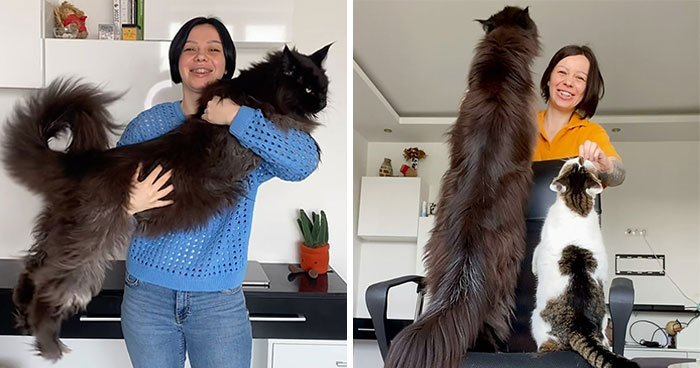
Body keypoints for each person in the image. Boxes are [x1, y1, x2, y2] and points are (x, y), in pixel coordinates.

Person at [117, 17, 320, 368]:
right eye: (190, 49)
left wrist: (237, 116)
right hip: (146, 296)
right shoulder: (147, 125)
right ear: (177, 61)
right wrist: (125, 203)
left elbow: (303, 162)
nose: (201, 57)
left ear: (227, 64)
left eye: (213, 50)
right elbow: (102, 198)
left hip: (219, 304)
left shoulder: (254, 127)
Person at [535, 44, 625, 187]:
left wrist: (606, 166)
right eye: (562, 72)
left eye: (580, 78)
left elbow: (617, 176)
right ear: (548, 78)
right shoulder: (519, 124)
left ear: (587, 90)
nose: (568, 82)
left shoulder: (591, 133)